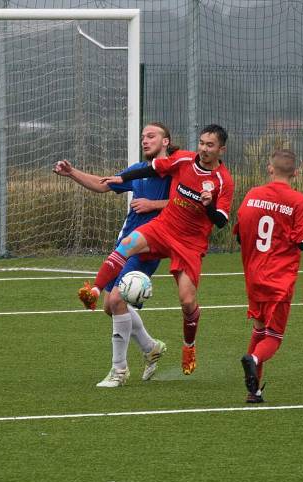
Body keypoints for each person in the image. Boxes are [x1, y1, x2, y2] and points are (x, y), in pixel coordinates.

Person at [81, 124, 234, 375]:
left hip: (190, 243)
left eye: (210, 145)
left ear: (221, 149)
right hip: (164, 227)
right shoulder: (184, 160)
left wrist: (208, 205)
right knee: (127, 244)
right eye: (202, 143)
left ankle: (189, 346)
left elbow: (221, 220)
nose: (204, 149)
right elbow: (152, 167)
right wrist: (122, 178)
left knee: (187, 301)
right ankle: (94, 290)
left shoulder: (222, 181)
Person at [54, 122, 174, 387]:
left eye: (151, 136)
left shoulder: (173, 171)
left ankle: (119, 371)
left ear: (166, 141)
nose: (145, 141)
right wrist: (72, 172)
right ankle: (151, 347)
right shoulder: (138, 171)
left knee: (117, 299)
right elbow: (104, 184)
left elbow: (187, 201)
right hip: (124, 246)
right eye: (143, 136)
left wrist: (154, 204)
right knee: (111, 306)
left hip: (148, 248)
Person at [233, 149, 303, 403]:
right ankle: (254, 359)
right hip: (279, 279)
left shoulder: (253, 195)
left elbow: (239, 233)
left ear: (270, 169)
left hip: (254, 275)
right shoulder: (298, 200)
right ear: (296, 173)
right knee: (274, 338)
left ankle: (253, 391)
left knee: (259, 329)